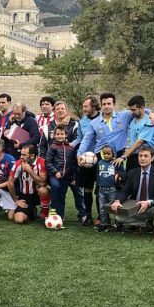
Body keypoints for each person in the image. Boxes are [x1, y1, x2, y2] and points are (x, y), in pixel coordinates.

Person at [110, 145, 154, 238]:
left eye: (146, 156)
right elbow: (125, 191)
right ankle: (145, 224)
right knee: (118, 217)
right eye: (140, 156)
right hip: (136, 207)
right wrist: (117, 201)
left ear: (152, 158)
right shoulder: (132, 172)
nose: (142, 158)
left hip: (152, 207)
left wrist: (149, 202)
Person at [73, 95, 101, 225]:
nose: (83, 108)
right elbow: (79, 139)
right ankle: (88, 215)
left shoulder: (104, 119)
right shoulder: (82, 121)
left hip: (101, 158)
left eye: (86, 106)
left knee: (101, 188)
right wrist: (68, 145)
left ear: (94, 106)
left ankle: (102, 216)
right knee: (87, 188)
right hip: (85, 160)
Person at [114, 95, 154, 172]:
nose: (131, 112)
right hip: (132, 156)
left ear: (142, 108)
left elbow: (140, 141)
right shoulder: (133, 120)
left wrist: (124, 156)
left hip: (145, 156)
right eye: (130, 110)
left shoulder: (150, 121)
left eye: (133, 110)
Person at [45, 125, 77, 220]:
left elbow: (73, 163)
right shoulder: (52, 147)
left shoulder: (71, 148)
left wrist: (73, 177)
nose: (60, 136)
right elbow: (48, 161)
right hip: (54, 175)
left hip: (66, 177)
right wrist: (55, 172)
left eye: (62, 134)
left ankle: (60, 216)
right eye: (58, 134)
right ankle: (53, 210)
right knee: (55, 187)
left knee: (62, 195)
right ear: (54, 135)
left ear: (66, 135)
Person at [11, 144, 49, 224]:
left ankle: (45, 215)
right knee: (19, 220)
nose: (21, 157)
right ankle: (32, 212)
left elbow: (42, 183)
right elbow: (10, 182)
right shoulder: (18, 163)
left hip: (38, 194)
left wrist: (29, 170)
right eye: (21, 154)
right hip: (26, 196)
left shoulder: (41, 162)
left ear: (32, 156)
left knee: (43, 190)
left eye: (24, 155)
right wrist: (16, 200)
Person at [95, 145, 124, 232]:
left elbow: (122, 173)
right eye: (104, 154)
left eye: (108, 153)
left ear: (113, 153)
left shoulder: (116, 163)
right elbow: (97, 175)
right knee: (102, 208)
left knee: (115, 208)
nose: (106, 155)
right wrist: (97, 186)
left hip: (112, 190)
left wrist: (118, 177)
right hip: (101, 190)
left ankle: (119, 225)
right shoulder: (100, 162)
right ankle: (104, 225)